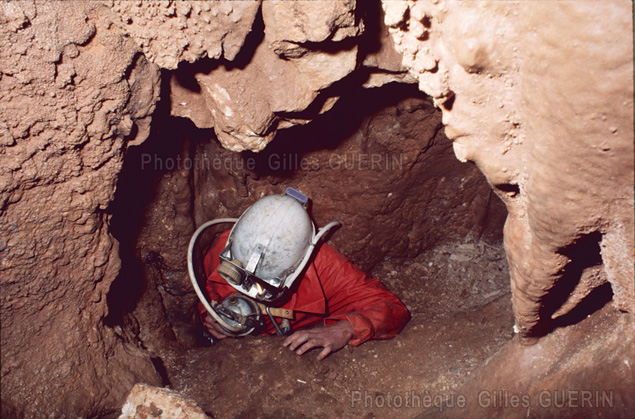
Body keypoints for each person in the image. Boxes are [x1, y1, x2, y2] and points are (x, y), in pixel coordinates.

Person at [195, 189, 410, 360]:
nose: (251, 291)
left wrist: (345, 330)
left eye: (265, 286)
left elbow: (392, 308)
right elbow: (208, 292)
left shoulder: (327, 268)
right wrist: (211, 318)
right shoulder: (228, 248)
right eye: (238, 276)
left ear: (298, 267)